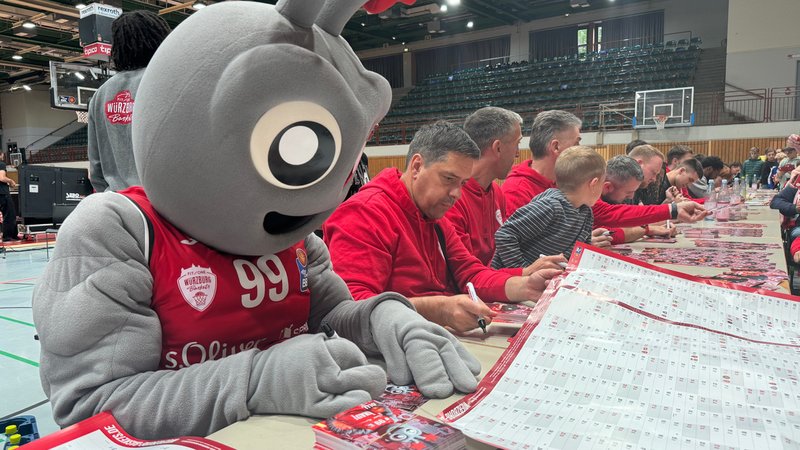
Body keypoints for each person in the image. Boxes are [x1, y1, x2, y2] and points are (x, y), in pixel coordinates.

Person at [33, 2, 483, 440]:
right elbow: (92, 409)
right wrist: (253, 381)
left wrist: (384, 319)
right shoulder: (117, 231)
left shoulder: (298, 237)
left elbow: (331, 316)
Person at [323, 121, 562, 333]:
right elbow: (354, 308)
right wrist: (439, 310)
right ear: (416, 167)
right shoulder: (364, 214)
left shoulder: (433, 214)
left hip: (432, 334)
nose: (456, 194)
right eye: (449, 179)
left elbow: (470, 273)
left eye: (462, 183)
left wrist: (526, 285)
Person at [502, 111, 708, 246]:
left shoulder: (565, 183)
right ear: (556, 147)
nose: (582, 148)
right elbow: (513, 244)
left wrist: (672, 210)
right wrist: (576, 245)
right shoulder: (517, 189)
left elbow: (608, 213)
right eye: (577, 142)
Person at [444, 106, 566, 270]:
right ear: (498, 148)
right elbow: (463, 273)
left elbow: (503, 256)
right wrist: (523, 274)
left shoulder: (497, 193)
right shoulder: (453, 198)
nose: (517, 154)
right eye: (517, 144)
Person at [87, 11, 171, 192]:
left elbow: (96, 168)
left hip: (119, 203)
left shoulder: (100, 95)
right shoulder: (167, 81)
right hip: (164, 203)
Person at [492, 146, 605, 269]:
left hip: (548, 279)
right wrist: (524, 270)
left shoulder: (586, 213)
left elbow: (581, 251)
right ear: (593, 184)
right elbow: (504, 235)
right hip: (514, 279)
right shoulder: (550, 207)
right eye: (602, 183)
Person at [599, 155, 675, 243]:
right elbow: (612, 233)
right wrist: (672, 211)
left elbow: (630, 221)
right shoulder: (592, 201)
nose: (631, 196)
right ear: (607, 187)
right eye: (628, 192)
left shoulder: (617, 191)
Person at [0, 152, 19, 241]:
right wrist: (11, 181)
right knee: (10, 214)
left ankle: (11, 235)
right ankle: (8, 236)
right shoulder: (1, 164)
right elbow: (1, 177)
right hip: (3, 194)